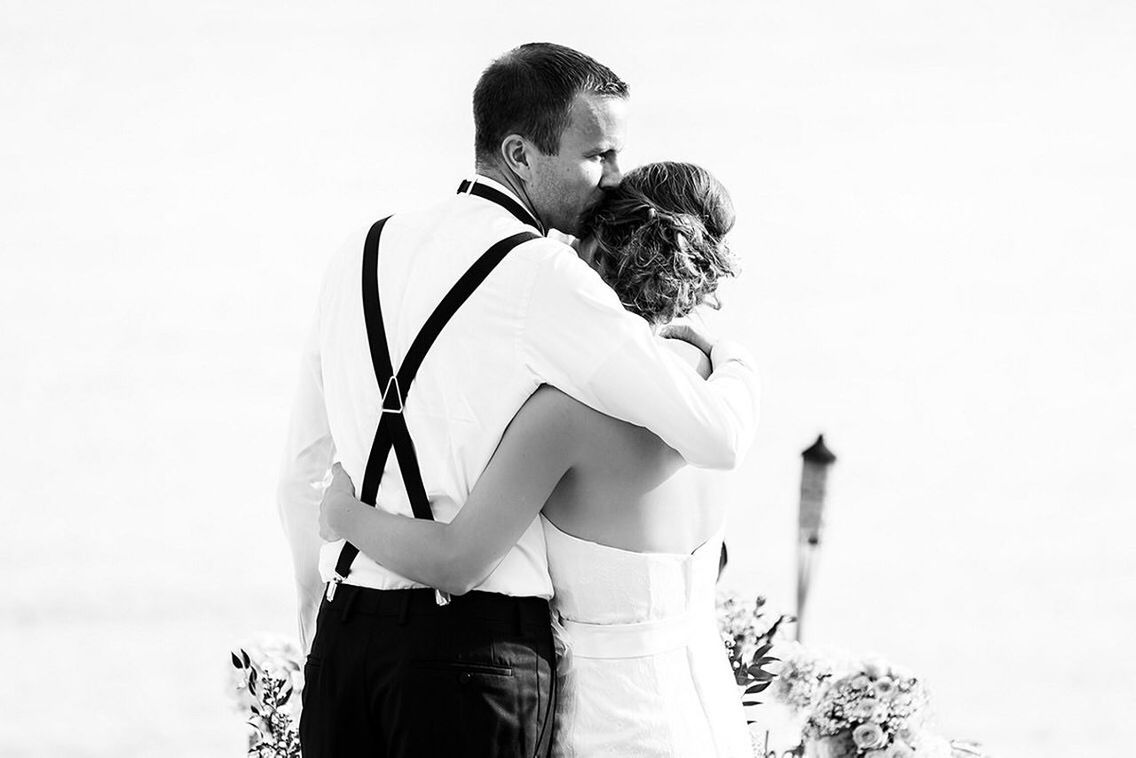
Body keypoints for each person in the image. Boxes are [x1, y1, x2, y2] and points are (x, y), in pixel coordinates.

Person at [277, 42, 759, 758]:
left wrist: (317, 618)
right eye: (598, 155)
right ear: (519, 153)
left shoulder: (361, 248)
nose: (613, 178)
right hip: (476, 659)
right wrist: (733, 356)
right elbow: (712, 435)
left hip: (347, 644)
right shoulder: (549, 278)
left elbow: (305, 462)